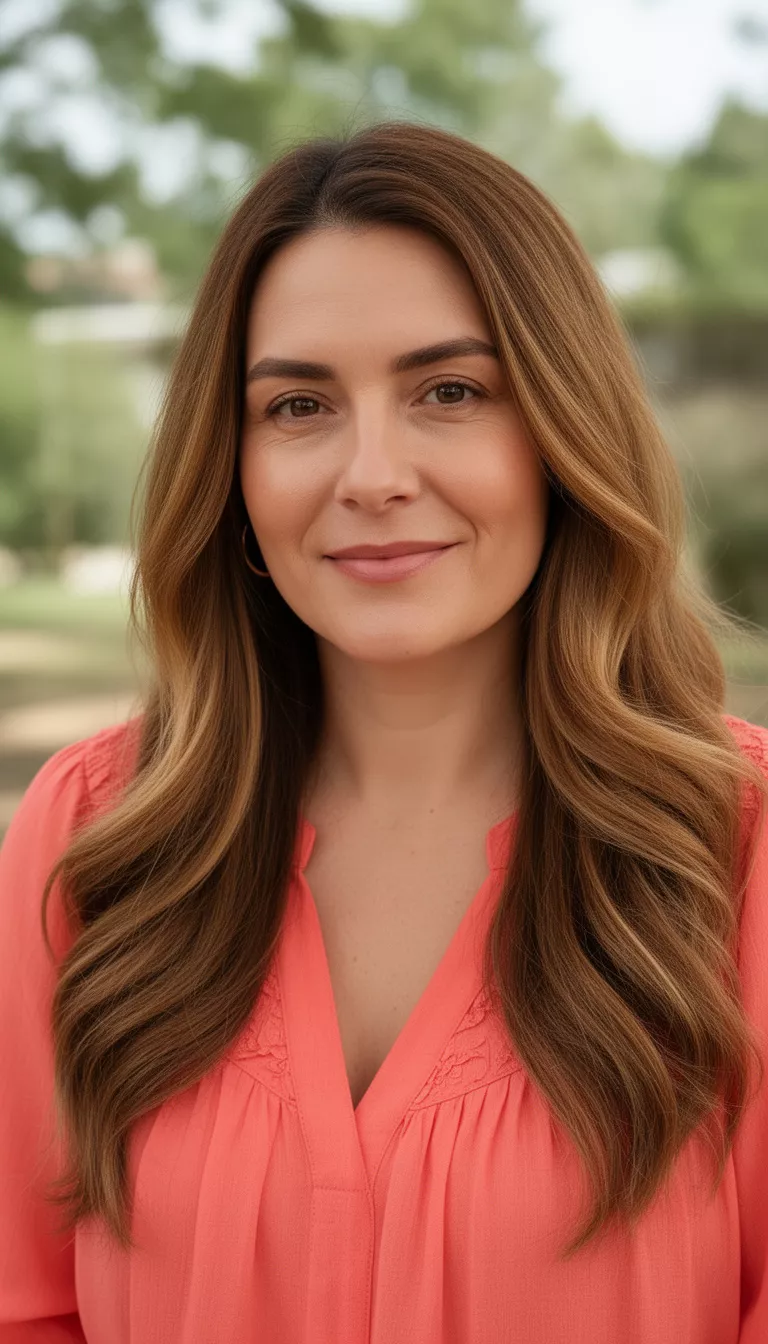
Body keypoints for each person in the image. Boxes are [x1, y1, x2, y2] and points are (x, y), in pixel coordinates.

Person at [1, 121, 767, 1344]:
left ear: (564, 433)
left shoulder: (738, 851)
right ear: (234, 464)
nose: (372, 472)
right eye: (299, 404)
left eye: (449, 392)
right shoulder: (92, 839)